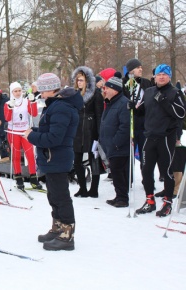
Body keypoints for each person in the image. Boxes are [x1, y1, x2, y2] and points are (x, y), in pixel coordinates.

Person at [25, 73, 83, 251]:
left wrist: (31, 136)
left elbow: (54, 137)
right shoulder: (56, 105)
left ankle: (67, 235)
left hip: (57, 157)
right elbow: (50, 128)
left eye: (42, 91)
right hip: (51, 158)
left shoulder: (61, 107)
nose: (41, 95)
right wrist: (34, 130)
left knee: (61, 196)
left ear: (51, 89)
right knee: (53, 195)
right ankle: (57, 228)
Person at [135, 64, 186, 217]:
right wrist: (133, 107)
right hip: (150, 136)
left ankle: (167, 202)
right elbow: (142, 110)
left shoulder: (175, 93)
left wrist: (164, 101)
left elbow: (181, 113)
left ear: (169, 76)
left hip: (166, 137)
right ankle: (149, 200)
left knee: (166, 172)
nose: (162, 77)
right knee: (146, 170)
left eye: (165, 74)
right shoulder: (150, 92)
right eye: (159, 74)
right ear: (155, 76)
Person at [99, 73, 131, 208]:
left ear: (115, 89)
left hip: (119, 147)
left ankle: (123, 198)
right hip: (111, 146)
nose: (104, 90)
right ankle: (119, 196)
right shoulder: (111, 103)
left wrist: (115, 143)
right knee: (116, 173)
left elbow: (125, 126)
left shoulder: (123, 103)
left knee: (119, 173)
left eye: (107, 88)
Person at [71, 66, 104, 198]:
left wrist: (99, 133)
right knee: (77, 161)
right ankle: (82, 188)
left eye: (82, 80)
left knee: (94, 160)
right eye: (78, 80)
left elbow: (99, 114)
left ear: (87, 81)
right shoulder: (74, 94)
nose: (79, 82)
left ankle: (94, 189)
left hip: (91, 130)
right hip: (77, 131)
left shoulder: (96, 94)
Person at [4, 81, 40, 190]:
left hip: (25, 132)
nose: (18, 93)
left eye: (19, 91)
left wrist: (33, 102)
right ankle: (19, 178)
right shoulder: (7, 103)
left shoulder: (26, 101)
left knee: (30, 155)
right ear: (11, 92)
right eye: (15, 91)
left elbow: (33, 114)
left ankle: (34, 178)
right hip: (13, 132)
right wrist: (10, 108)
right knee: (16, 156)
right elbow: (7, 118)